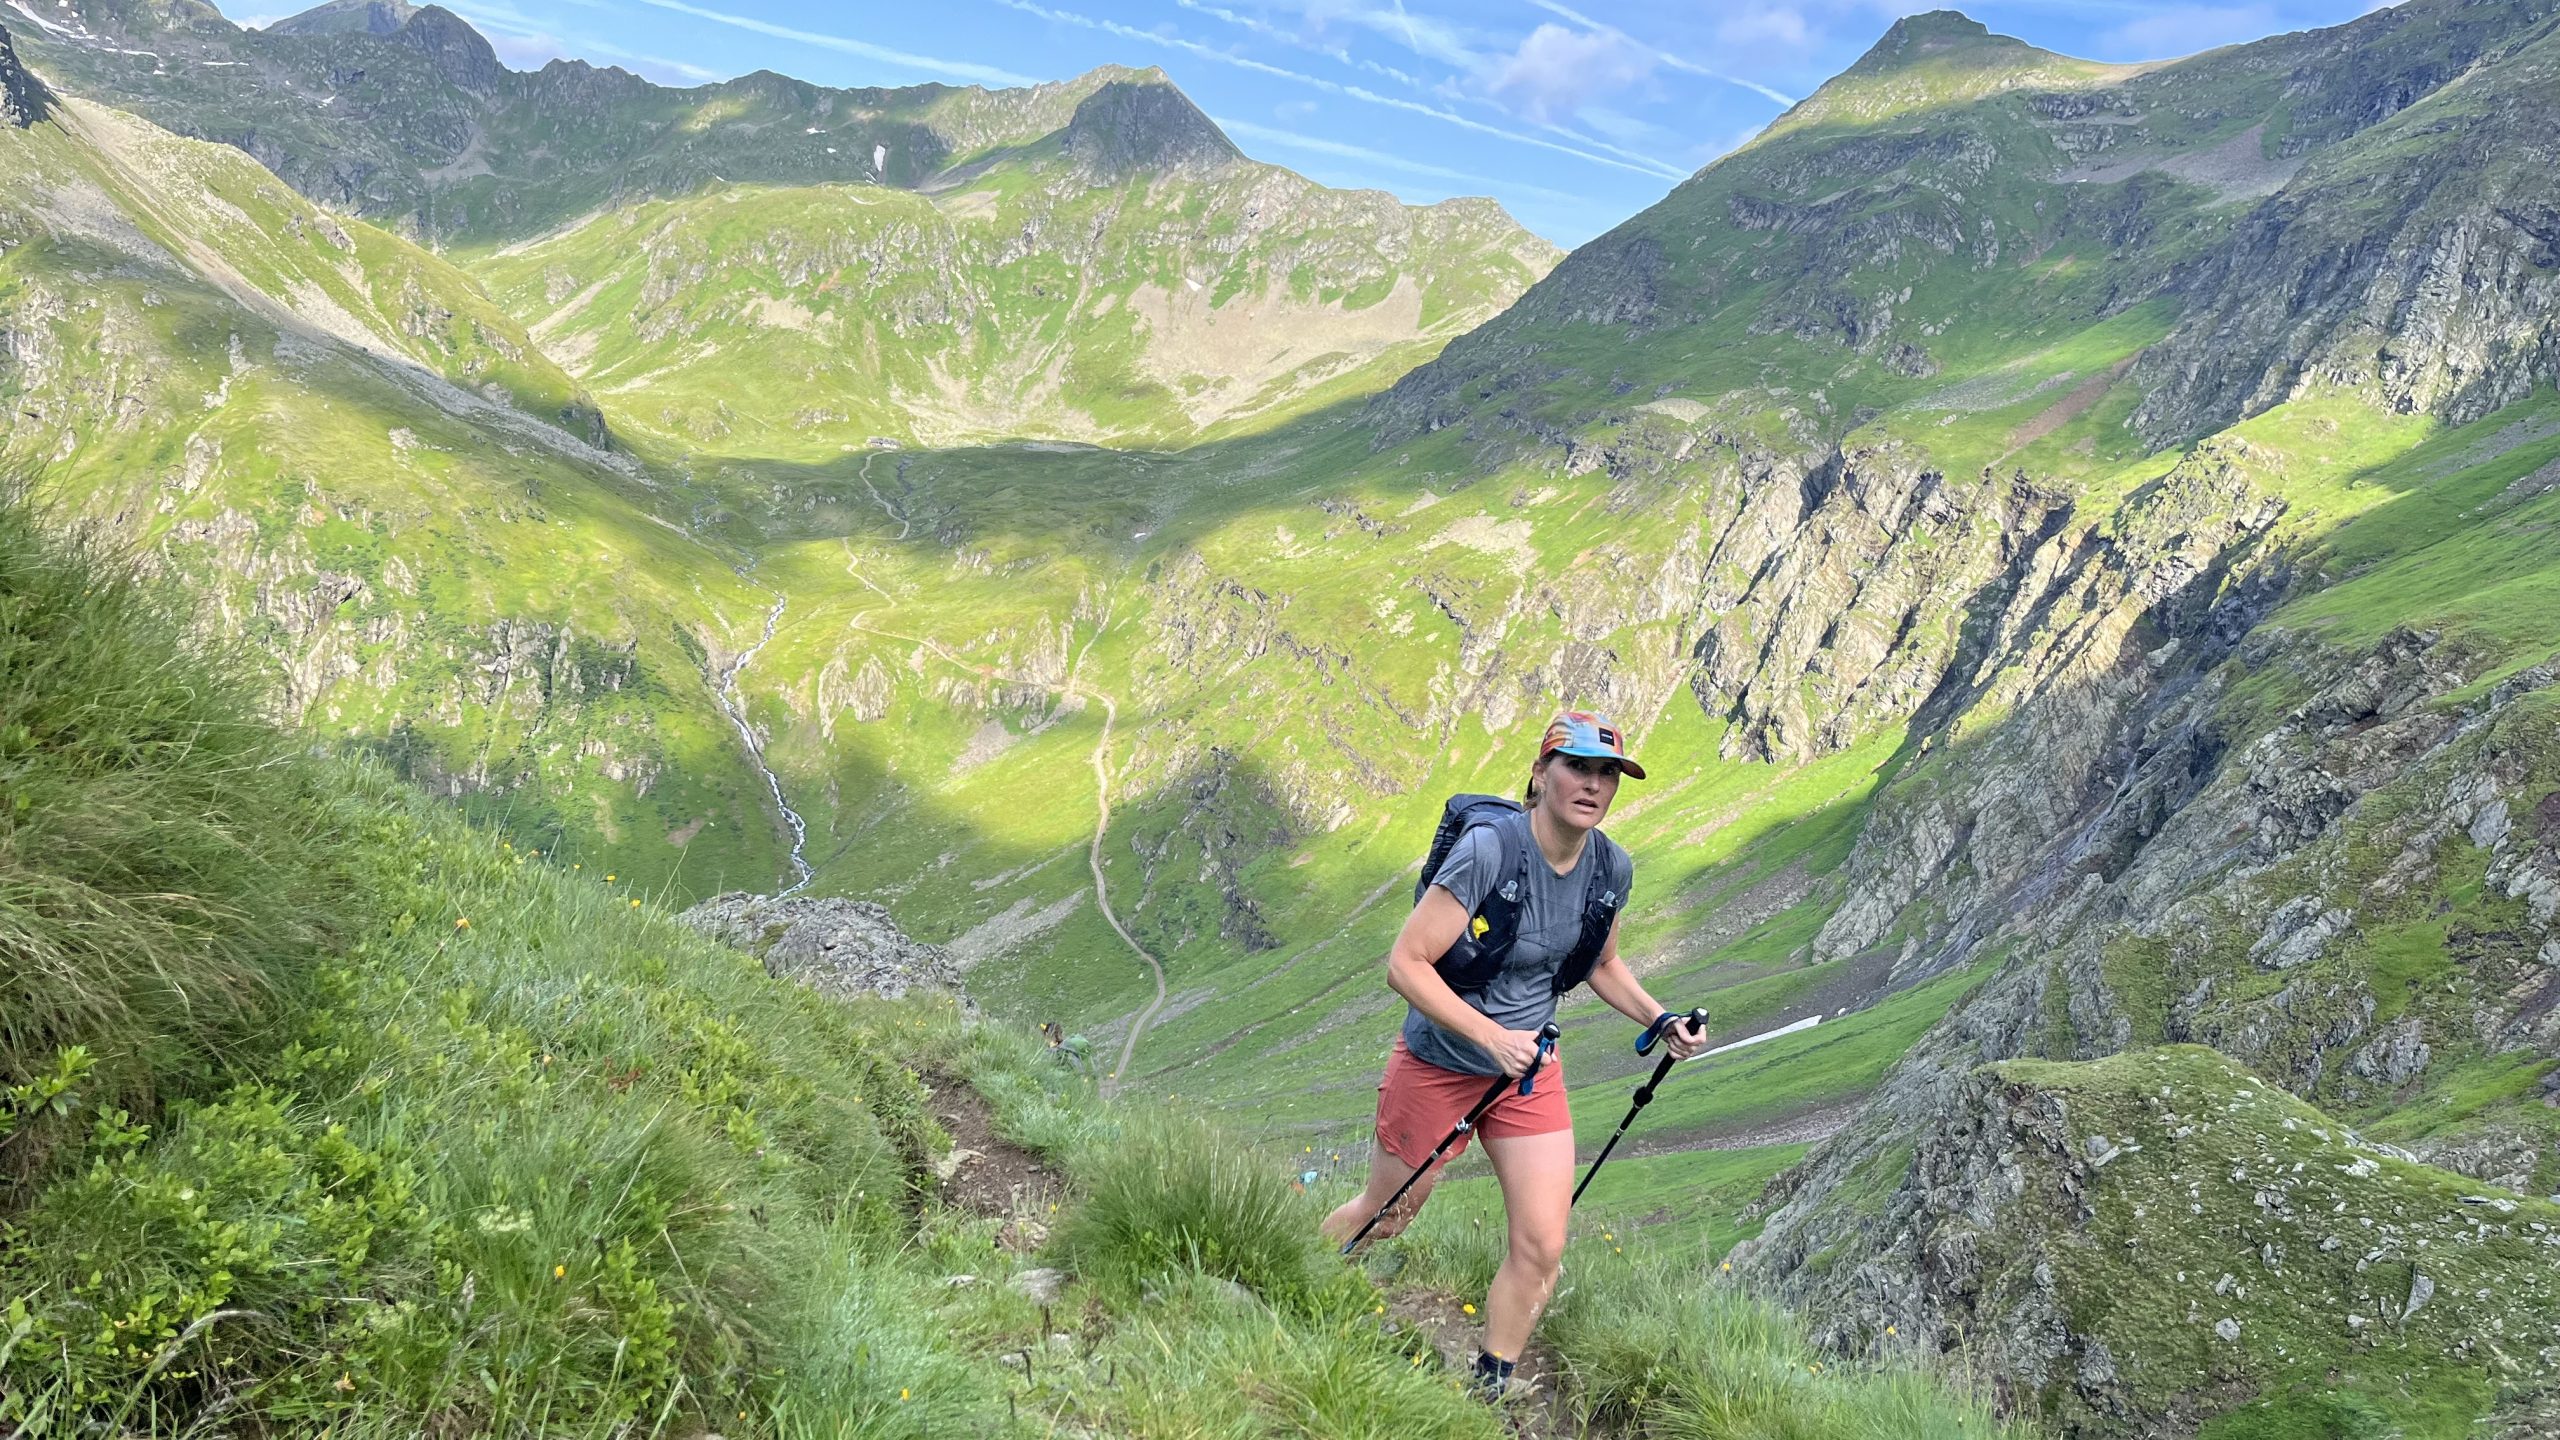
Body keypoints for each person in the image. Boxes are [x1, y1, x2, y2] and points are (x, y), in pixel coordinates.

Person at [1319, 710, 1707, 1400]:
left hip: (1528, 1076)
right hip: (1440, 1062)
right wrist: (1489, 1037)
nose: (1593, 785)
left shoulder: (1610, 868)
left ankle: (1490, 1384)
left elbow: (1602, 963)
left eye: (1608, 773)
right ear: (1540, 773)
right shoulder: (1491, 851)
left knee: (1542, 1245)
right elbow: (1406, 964)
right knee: (1388, 1214)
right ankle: (1298, 1276)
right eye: (1578, 768)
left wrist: (1661, 1018)